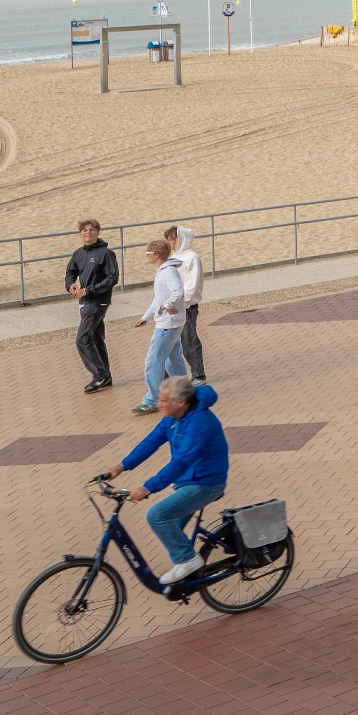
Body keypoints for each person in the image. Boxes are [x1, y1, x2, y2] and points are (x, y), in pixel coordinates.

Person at [99, 377, 228, 585]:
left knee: (157, 515)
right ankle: (189, 576)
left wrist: (148, 487)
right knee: (171, 527)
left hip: (206, 483)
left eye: (163, 401)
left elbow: (181, 462)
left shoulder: (199, 423)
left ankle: (188, 560)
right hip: (187, 481)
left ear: (181, 402)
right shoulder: (172, 418)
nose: (158, 404)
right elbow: (151, 442)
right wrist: (121, 466)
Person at [133, 238, 188, 415]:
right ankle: (185, 393)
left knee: (153, 361)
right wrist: (146, 317)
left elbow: (178, 291)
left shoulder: (167, 272)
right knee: (173, 360)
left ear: (156, 255)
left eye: (148, 253)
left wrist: (168, 305)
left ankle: (152, 400)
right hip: (172, 323)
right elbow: (159, 299)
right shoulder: (164, 271)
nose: (146, 256)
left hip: (167, 325)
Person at [66, 220, 119, 395]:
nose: (88, 232)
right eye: (84, 230)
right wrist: (71, 285)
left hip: (98, 302)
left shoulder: (106, 254)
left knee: (82, 339)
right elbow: (70, 272)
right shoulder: (78, 254)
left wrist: (88, 290)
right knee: (96, 339)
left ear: (97, 232)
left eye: (91, 229)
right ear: (80, 233)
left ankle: (99, 375)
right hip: (84, 301)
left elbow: (112, 278)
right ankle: (106, 376)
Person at [163, 225, 209, 385]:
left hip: (187, 308)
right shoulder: (172, 258)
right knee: (166, 342)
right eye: (168, 240)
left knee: (188, 341)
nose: (169, 243)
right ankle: (165, 378)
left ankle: (199, 375)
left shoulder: (192, 258)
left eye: (172, 239)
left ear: (180, 239)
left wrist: (182, 304)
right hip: (171, 308)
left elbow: (192, 285)